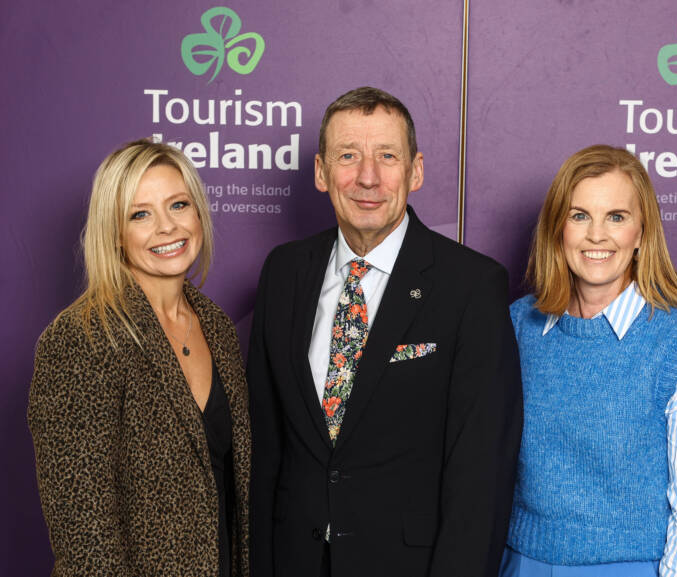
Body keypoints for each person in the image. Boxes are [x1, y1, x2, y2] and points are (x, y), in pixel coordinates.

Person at [247, 86, 523, 577]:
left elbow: (481, 474)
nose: (367, 177)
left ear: (415, 170)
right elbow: (264, 450)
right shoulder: (284, 273)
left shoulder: (471, 285)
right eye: (348, 155)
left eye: (387, 156)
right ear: (321, 171)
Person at [503, 145, 677, 577]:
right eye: (579, 216)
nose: (597, 235)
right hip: (519, 564)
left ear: (642, 233)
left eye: (616, 216)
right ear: (558, 229)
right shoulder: (516, 326)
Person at [28, 139, 251, 577]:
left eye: (178, 205)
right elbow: (84, 534)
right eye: (140, 214)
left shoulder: (217, 327)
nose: (167, 227)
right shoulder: (82, 338)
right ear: (114, 232)